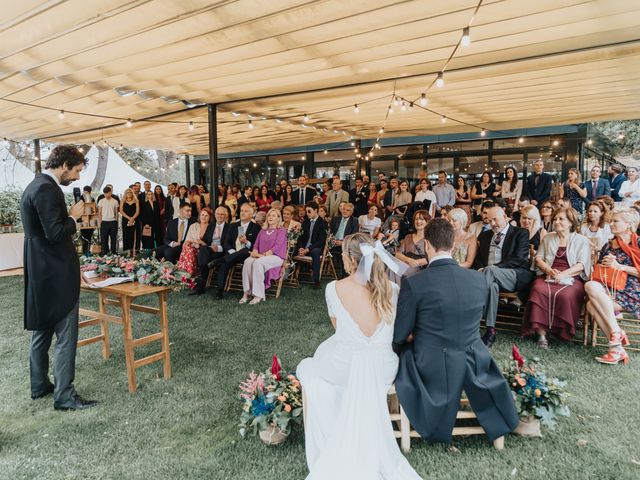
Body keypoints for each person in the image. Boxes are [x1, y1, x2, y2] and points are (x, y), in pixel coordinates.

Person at [296, 233, 419, 479]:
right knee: (326, 354)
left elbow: (338, 329)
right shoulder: (393, 289)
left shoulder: (334, 288)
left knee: (308, 367)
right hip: (383, 368)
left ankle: (336, 426)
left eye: (342, 256)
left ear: (352, 261)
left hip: (345, 367)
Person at [393, 218, 519, 444]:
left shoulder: (414, 282)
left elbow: (401, 333)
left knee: (403, 352)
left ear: (428, 246)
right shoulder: (478, 279)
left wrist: (400, 344)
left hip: (430, 363)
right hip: (474, 358)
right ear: (452, 246)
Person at [21, 144, 98, 410]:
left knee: (42, 330)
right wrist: (74, 218)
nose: (77, 177)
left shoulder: (35, 185)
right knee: (66, 336)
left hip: (42, 271)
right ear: (64, 165)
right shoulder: (46, 188)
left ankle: (40, 385)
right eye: (76, 171)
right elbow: (55, 233)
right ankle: (64, 396)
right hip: (56, 273)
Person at [523, 208, 592, 347]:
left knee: (566, 295)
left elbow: (581, 265)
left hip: (572, 276)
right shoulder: (548, 237)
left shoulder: (581, 240)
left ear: (571, 222)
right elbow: (539, 258)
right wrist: (549, 270)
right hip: (548, 273)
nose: (556, 222)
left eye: (561, 219)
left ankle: (562, 331)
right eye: (555, 219)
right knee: (539, 289)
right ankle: (541, 334)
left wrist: (563, 274)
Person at [584, 208, 640, 365]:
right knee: (591, 288)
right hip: (610, 288)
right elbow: (599, 270)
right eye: (611, 221)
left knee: (591, 304)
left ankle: (616, 345)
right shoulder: (608, 245)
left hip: (633, 292)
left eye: (616, 221)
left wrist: (619, 266)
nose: (611, 224)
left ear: (628, 225)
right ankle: (616, 341)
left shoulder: (639, 243)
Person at [475, 205, 534, 347]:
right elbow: (478, 259)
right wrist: (481, 268)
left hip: (513, 275)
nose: (492, 224)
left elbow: (520, 259)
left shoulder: (520, 233)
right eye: (489, 221)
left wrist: (494, 268)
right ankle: (490, 331)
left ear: (505, 217)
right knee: (492, 286)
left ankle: (473, 321)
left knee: (489, 271)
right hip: (489, 278)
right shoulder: (484, 235)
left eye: (495, 219)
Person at [213, 203, 262, 300]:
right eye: (242, 211)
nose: (243, 213)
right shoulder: (233, 225)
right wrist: (232, 252)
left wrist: (246, 241)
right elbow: (226, 243)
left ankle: (219, 260)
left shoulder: (256, 227)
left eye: (246, 211)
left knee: (244, 251)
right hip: (232, 254)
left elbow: (256, 246)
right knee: (224, 265)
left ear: (251, 215)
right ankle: (219, 292)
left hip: (247, 256)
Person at [239, 209, 288, 304]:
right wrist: (255, 252)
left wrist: (262, 255)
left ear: (278, 218)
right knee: (248, 261)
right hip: (261, 256)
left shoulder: (282, 230)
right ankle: (246, 293)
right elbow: (256, 245)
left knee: (258, 262)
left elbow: (276, 247)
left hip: (276, 257)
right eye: (269, 215)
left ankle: (258, 295)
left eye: (273, 216)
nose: (270, 217)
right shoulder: (263, 230)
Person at [192, 207, 234, 294]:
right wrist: (200, 242)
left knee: (204, 256)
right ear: (215, 215)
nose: (220, 216)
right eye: (218, 214)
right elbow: (206, 241)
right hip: (210, 249)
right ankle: (204, 268)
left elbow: (230, 243)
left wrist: (218, 248)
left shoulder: (230, 227)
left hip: (222, 251)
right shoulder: (211, 226)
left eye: (222, 214)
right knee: (204, 250)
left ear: (226, 215)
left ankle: (200, 285)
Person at [296, 202, 328, 289]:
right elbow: (301, 238)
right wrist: (301, 248)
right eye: (306, 212)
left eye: (309, 211)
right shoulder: (305, 222)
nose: (307, 214)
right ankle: (290, 275)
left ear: (316, 210)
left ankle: (316, 281)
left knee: (316, 252)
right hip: (304, 247)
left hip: (315, 248)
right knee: (291, 248)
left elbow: (321, 241)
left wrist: (308, 249)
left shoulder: (323, 223)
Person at [176, 208, 211, 277]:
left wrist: (199, 242)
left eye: (206, 215)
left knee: (189, 250)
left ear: (209, 217)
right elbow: (188, 240)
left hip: (203, 250)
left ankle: (186, 273)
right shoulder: (194, 226)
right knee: (187, 247)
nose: (204, 217)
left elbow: (209, 244)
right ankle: (188, 273)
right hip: (192, 248)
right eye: (202, 215)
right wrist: (192, 243)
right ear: (199, 216)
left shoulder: (211, 227)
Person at [395, 210, 429, 277]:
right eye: (416, 219)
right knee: (391, 267)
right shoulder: (408, 237)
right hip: (404, 263)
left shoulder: (429, 239)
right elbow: (398, 254)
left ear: (427, 222)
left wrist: (416, 262)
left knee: (401, 270)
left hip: (419, 268)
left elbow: (431, 258)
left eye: (421, 219)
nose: (418, 221)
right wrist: (408, 260)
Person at [330, 202, 358, 277]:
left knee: (345, 252)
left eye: (348, 210)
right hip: (332, 243)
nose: (345, 211)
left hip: (345, 244)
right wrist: (332, 240)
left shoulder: (354, 221)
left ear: (351, 212)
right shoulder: (335, 219)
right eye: (343, 209)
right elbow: (330, 232)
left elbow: (353, 236)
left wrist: (343, 242)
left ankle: (344, 276)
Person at [97, 186, 119, 254]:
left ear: (110, 192)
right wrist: (100, 222)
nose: (106, 195)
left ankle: (113, 251)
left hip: (113, 222)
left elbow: (116, 213)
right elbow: (99, 212)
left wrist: (116, 221)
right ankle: (105, 252)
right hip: (104, 222)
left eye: (107, 193)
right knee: (104, 239)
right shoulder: (101, 201)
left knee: (113, 238)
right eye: (105, 193)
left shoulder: (115, 201)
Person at [119, 188, 140, 254]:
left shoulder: (136, 201)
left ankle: (134, 251)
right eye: (127, 192)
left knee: (134, 235)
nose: (129, 193)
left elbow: (137, 211)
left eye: (130, 192)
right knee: (126, 235)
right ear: (125, 193)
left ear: (132, 193)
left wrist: (133, 218)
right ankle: (128, 251)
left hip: (135, 219)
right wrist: (129, 218)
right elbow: (121, 211)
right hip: (125, 220)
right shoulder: (122, 201)